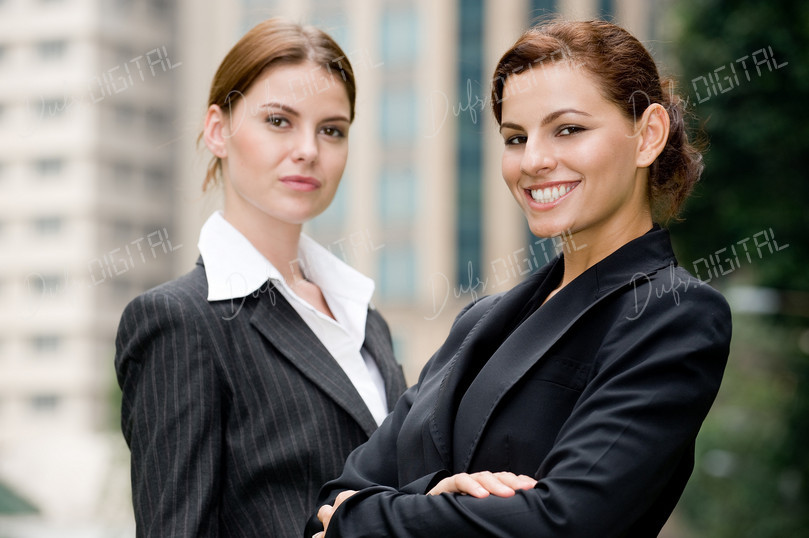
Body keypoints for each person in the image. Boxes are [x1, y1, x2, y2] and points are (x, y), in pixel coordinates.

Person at [307, 19, 731, 538]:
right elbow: (329, 503)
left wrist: (369, 519)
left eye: (568, 129)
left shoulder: (675, 314)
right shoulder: (481, 320)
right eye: (515, 138)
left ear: (648, 136)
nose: (533, 161)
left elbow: (566, 521)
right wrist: (433, 494)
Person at [114, 18, 406, 538]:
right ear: (217, 130)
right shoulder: (179, 322)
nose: (309, 149)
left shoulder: (365, 319)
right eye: (278, 121)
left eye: (332, 130)